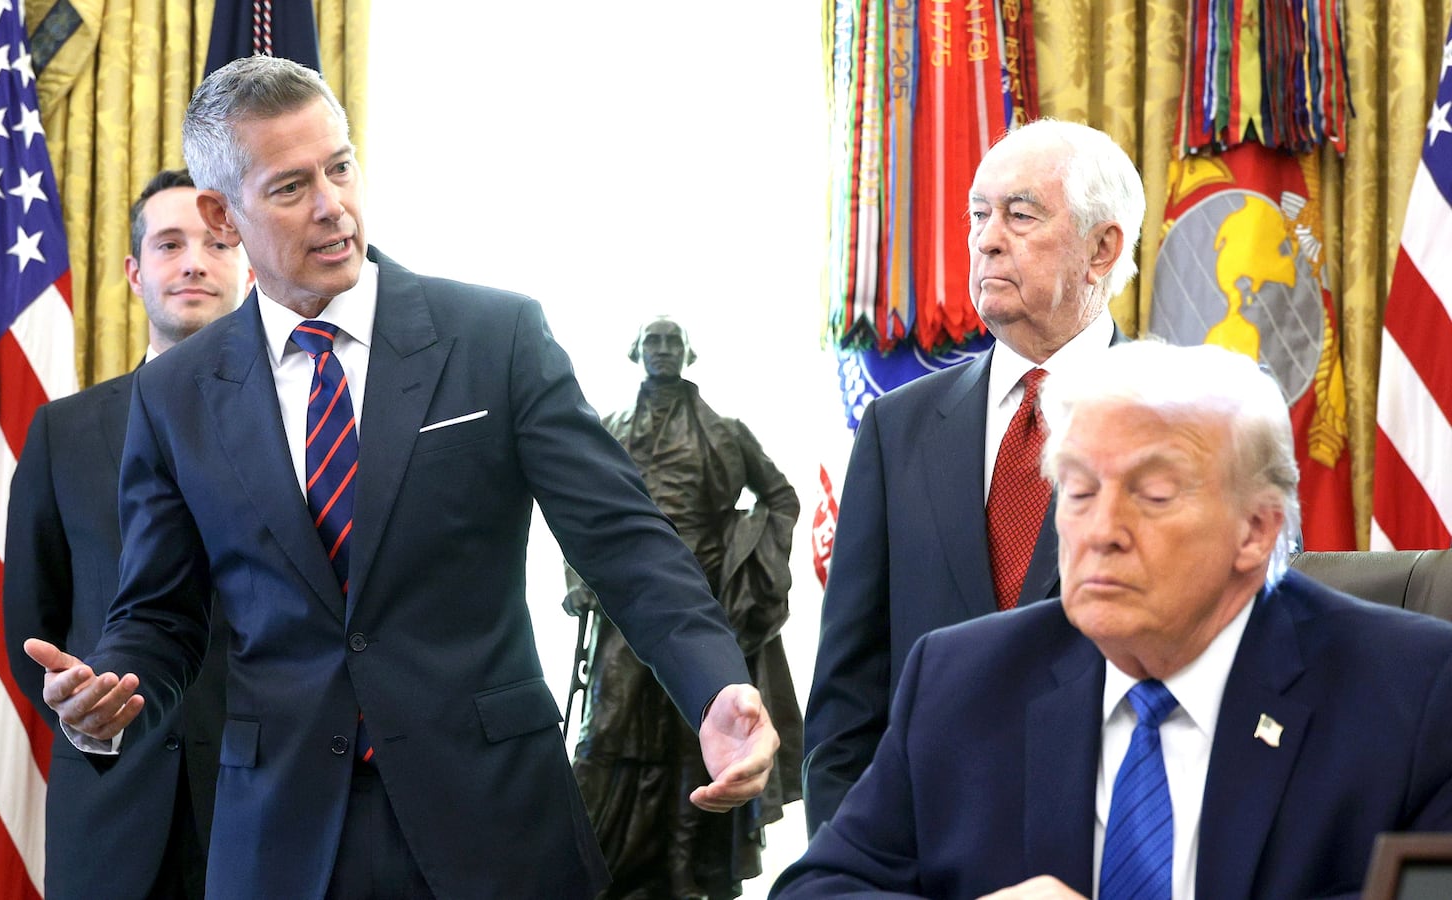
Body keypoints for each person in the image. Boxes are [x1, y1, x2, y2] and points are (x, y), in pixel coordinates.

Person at [20, 55, 778, 900]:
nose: (333, 205)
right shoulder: (175, 395)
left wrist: (714, 682)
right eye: (290, 187)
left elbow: (625, 542)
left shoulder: (497, 336)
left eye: (340, 167)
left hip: (497, 828)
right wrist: (110, 684)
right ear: (220, 212)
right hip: (280, 842)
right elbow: (160, 615)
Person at [772, 340, 1452, 899]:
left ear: (1254, 530)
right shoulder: (961, 681)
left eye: (1152, 495)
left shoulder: (1413, 693)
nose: (1101, 531)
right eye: (1078, 490)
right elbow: (820, 888)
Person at [802, 119, 1145, 832]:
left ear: (1102, 248)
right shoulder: (896, 429)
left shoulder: (1189, 423)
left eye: (1020, 215)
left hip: (1117, 849)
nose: (987, 239)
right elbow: (847, 702)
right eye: (978, 216)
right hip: (925, 853)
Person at [2, 169, 253, 899]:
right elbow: (33, 623)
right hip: (110, 808)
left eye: (216, 241)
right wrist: (90, 712)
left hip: (267, 802)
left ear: (244, 262)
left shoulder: (306, 423)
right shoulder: (63, 432)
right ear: (136, 272)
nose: (195, 262)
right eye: (170, 244)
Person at [565, 317, 803, 900]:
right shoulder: (608, 427)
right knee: (608, 732)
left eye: (673, 342)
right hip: (625, 603)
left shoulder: (723, 430)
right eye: (654, 341)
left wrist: (750, 564)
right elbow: (575, 509)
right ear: (636, 352)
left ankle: (682, 870)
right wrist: (579, 580)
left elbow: (780, 497)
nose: (664, 351)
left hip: (701, 608)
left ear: (688, 353)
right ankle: (596, 867)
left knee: (691, 741)